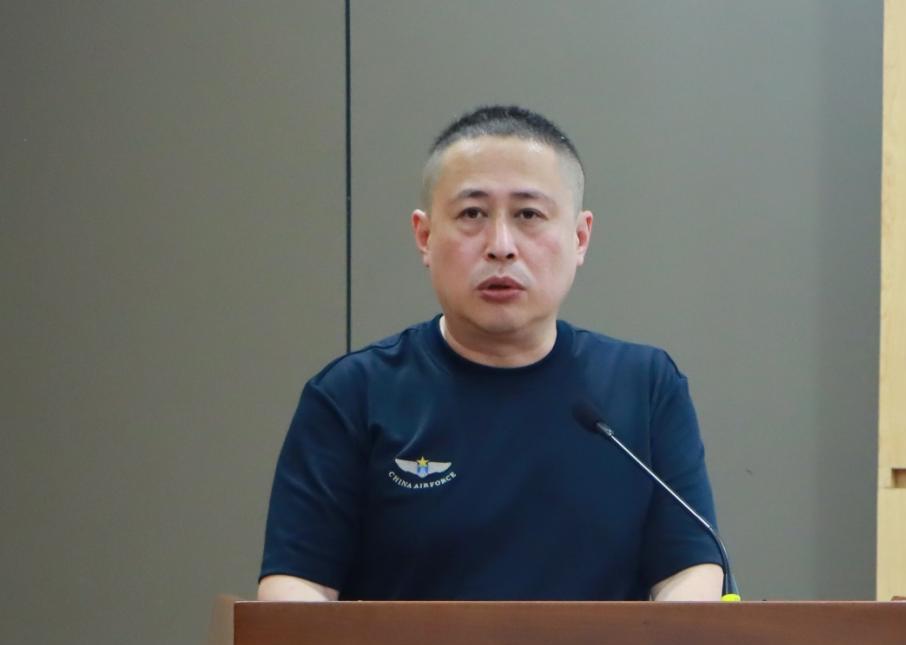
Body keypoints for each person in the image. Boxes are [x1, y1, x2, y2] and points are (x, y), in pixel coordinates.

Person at [258, 105, 724, 602]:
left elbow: (690, 570)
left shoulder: (644, 387)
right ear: (424, 236)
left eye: (528, 215)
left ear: (580, 237)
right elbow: (296, 583)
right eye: (472, 214)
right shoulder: (353, 395)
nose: (501, 246)